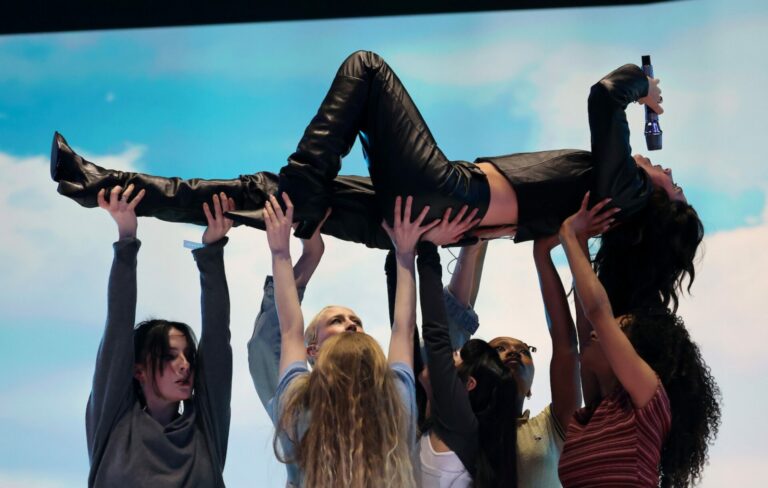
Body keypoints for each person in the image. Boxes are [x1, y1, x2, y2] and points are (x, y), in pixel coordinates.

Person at [51, 50, 700, 313]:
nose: (667, 172)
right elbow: (536, 235)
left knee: (365, 69)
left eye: (675, 185)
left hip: (448, 195)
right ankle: (96, 183)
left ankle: (301, 188)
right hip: (430, 222)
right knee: (257, 194)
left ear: (658, 207)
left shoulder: (628, 194)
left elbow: (602, 95)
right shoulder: (602, 208)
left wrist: (646, 93)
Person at [266, 194, 434, 488]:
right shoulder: (396, 399)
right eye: (338, 321)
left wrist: (281, 253)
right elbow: (402, 330)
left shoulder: (298, 402)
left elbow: (291, 329)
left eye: (356, 322)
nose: (352, 326)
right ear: (313, 350)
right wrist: (404, 255)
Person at [556, 194, 721, 487]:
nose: (599, 335)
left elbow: (596, 315)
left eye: (615, 330)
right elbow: (589, 319)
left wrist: (570, 235)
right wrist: (576, 239)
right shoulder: (608, 409)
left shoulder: (646, 399)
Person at [86, 185, 234, 487]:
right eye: (169, 356)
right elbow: (117, 327)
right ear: (137, 370)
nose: (185, 365)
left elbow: (218, 337)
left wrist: (211, 251)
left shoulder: (205, 426)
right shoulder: (114, 424)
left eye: (188, 356)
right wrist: (126, 238)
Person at [411, 235, 581, 488]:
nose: (513, 353)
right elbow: (450, 329)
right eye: (499, 349)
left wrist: (543, 254)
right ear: (473, 376)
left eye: (524, 351)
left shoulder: (550, 426)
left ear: (532, 386)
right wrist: (475, 243)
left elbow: (566, 346)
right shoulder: (457, 422)